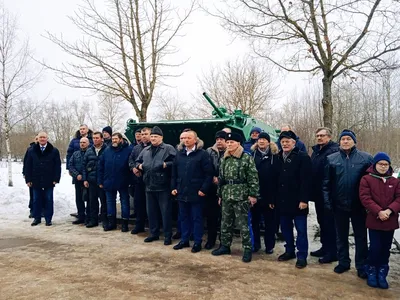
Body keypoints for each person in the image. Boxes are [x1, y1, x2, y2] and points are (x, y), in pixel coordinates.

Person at [323, 129, 373, 278]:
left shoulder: (365, 158)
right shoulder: (331, 159)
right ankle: (344, 262)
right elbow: (326, 183)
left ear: (354, 141)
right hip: (339, 205)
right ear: (339, 142)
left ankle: (361, 265)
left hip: (359, 206)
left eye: (348, 139)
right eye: (343, 139)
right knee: (341, 236)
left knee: (361, 236)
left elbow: (371, 182)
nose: (345, 141)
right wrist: (327, 202)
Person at [211, 132, 259, 263]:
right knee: (225, 223)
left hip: (241, 195)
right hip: (226, 194)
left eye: (232, 142)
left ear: (238, 143)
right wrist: (220, 195)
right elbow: (221, 179)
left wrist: (253, 195)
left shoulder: (246, 157)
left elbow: (253, 177)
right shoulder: (224, 158)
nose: (229, 144)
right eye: (228, 142)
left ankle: (248, 249)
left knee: (243, 224)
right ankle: (225, 246)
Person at [359, 152, 400, 289]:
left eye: (386, 164)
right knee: (375, 247)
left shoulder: (395, 181)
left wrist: (389, 211)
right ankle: (371, 270)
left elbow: (399, 198)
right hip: (374, 219)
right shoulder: (367, 179)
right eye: (380, 164)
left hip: (390, 220)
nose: (383, 167)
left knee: (385, 248)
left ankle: (382, 271)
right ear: (375, 165)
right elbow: (365, 198)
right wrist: (379, 211)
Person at [274, 130, 312, 269]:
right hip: (282, 201)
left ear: (294, 143)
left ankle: (302, 256)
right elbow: (275, 180)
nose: (285, 144)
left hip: (298, 202)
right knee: (286, 229)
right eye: (282, 142)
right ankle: (289, 251)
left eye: (287, 141)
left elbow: (306, 181)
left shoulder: (302, 157)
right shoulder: (278, 157)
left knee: (301, 230)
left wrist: (304, 200)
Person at [172, 130, 213, 253]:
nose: (186, 140)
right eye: (184, 138)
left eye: (189, 138)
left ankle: (197, 242)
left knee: (197, 218)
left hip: (196, 192)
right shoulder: (179, 154)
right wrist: (173, 187)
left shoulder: (202, 154)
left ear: (195, 140)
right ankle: (184, 240)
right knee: (184, 217)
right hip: (182, 192)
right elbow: (174, 173)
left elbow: (209, 174)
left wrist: (204, 189)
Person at [136, 126, 176, 245]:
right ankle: (153, 233)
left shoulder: (168, 148)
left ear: (161, 138)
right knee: (151, 212)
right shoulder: (146, 150)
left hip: (163, 186)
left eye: (155, 136)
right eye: (152, 136)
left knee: (165, 212)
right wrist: (139, 166)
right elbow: (137, 161)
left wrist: (166, 164)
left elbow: (175, 161)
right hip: (149, 185)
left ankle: (167, 236)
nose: (153, 138)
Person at [310, 127, 339, 263]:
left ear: (329, 137)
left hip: (329, 194)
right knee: (322, 222)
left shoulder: (334, 151)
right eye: (318, 136)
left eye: (322, 135)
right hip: (317, 194)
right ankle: (324, 246)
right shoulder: (316, 151)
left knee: (330, 223)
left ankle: (332, 252)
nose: (319, 138)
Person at [250, 132, 279, 254]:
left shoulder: (275, 156)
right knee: (254, 222)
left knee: (269, 223)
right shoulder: (252, 155)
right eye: (259, 139)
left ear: (268, 142)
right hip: (255, 194)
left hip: (269, 195)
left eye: (264, 139)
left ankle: (269, 245)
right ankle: (256, 244)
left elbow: (277, 178)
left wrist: (273, 198)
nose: (261, 141)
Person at [25, 132, 61, 226]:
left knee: (49, 199)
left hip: (49, 179)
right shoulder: (31, 150)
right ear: (38, 138)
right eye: (40, 137)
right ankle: (37, 218)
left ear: (47, 138)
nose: (42, 139)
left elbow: (57, 166)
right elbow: (27, 165)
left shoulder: (53, 150)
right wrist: (28, 179)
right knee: (36, 199)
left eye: (44, 137)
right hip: (35, 179)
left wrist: (56, 179)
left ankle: (48, 219)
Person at [98, 133, 132, 232]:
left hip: (123, 181)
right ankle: (111, 223)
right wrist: (100, 180)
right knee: (110, 202)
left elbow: (130, 165)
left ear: (121, 139)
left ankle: (125, 224)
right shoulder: (107, 151)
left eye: (116, 139)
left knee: (124, 202)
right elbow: (101, 166)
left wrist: (130, 180)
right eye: (113, 139)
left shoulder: (128, 150)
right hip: (108, 181)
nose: (114, 141)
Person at [204, 130, 227, 249]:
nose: (219, 141)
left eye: (221, 139)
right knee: (211, 216)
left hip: (225, 188)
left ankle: (224, 242)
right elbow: (206, 166)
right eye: (217, 139)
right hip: (212, 189)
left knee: (225, 217)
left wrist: (220, 179)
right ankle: (210, 240)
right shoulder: (209, 151)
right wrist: (212, 177)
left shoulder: (230, 151)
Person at [82, 132, 107, 228]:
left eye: (97, 138)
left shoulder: (107, 150)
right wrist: (85, 179)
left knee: (104, 202)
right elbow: (84, 166)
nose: (95, 140)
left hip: (102, 181)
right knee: (92, 201)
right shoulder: (89, 151)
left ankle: (105, 220)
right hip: (91, 181)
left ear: (102, 139)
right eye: (94, 138)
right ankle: (93, 220)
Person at [129, 127, 151, 234]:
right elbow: (131, 159)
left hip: (152, 181)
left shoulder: (155, 147)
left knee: (152, 206)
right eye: (142, 134)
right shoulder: (136, 148)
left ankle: (153, 228)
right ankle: (139, 226)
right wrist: (133, 168)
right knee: (139, 204)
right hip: (138, 180)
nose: (143, 136)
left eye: (146, 134)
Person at [69, 137, 90, 225]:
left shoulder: (91, 153)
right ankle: (81, 216)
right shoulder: (75, 153)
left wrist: (85, 176)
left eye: (84, 142)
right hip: (78, 179)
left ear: (88, 143)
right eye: (81, 142)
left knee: (89, 198)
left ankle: (89, 217)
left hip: (88, 180)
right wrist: (76, 174)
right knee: (78, 198)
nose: (82, 144)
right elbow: (71, 165)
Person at [23, 136, 40, 218]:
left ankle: (42, 210)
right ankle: (32, 210)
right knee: (32, 194)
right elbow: (26, 162)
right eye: (36, 139)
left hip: (42, 176)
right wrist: (25, 174)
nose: (38, 140)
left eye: (39, 138)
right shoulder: (30, 150)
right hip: (32, 176)